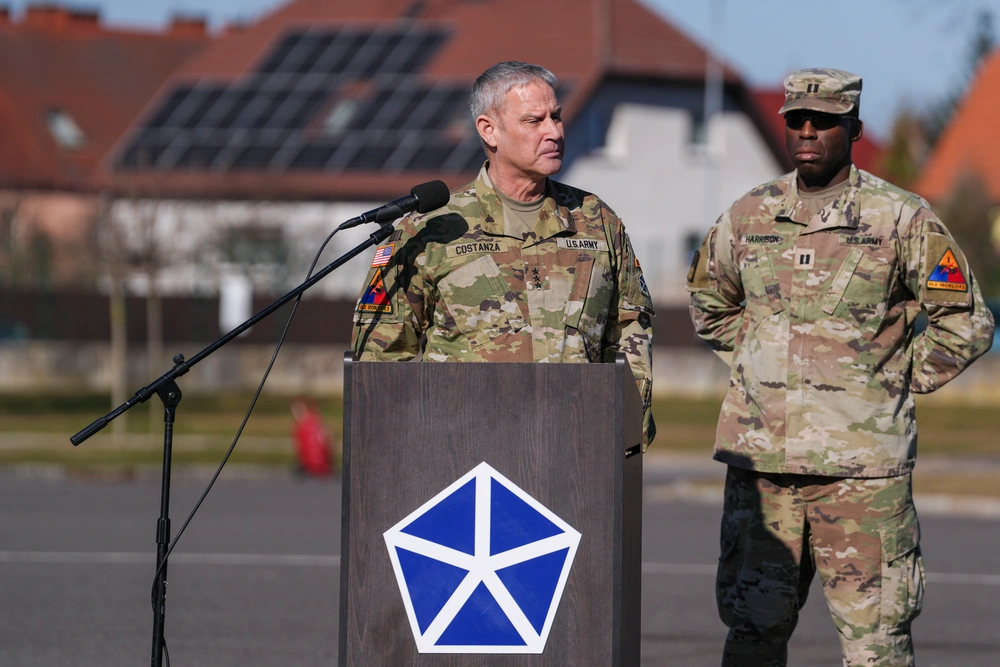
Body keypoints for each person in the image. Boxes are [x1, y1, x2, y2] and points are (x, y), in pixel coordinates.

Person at [687, 68, 994, 666]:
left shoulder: (900, 218)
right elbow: (708, 304)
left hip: (863, 476)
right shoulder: (749, 215)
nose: (807, 132)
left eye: (823, 122)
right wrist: (762, 368)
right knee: (751, 633)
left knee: (877, 644)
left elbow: (967, 322)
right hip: (763, 469)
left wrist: (892, 380)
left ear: (852, 128)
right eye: (796, 120)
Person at [352, 61, 655, 445]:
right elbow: (381, 356)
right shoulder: (432, 229)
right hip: (461, 451)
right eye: (534, 121)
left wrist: (628, 429)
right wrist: (399, 450)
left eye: (556, 117)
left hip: (577, 449)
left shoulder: (596, 220)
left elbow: (631, 325)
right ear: (489, 130)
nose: (554, 132)